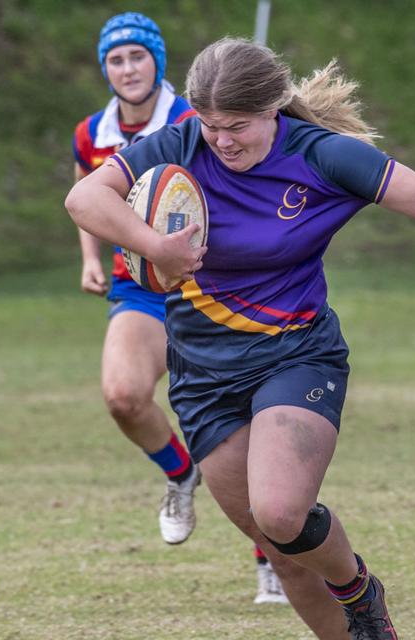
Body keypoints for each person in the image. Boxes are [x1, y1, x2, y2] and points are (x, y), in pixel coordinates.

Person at [65, 37, 415, 640]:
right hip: (203, 378)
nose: (221, 140)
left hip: (297, 354)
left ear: (272, 111)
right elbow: (84, 196)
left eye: (237, 125)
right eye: (209, 124)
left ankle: (360, 594)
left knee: (283, 510)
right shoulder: (179, 143)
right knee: (281, 550)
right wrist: (154, 243)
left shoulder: (322, 156)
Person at [73, 12, 283, 604]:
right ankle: (178, 470)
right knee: (122, 395)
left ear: (157, 61)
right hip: (141, 287)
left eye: (137, 56)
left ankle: (274, 556)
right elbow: (89, 190)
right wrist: (91, 256)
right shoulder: (92, 131)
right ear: (105, 69)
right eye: (115, 59)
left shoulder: (198, 120)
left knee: (240, 424)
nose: (127, 68)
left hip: (211, 286)